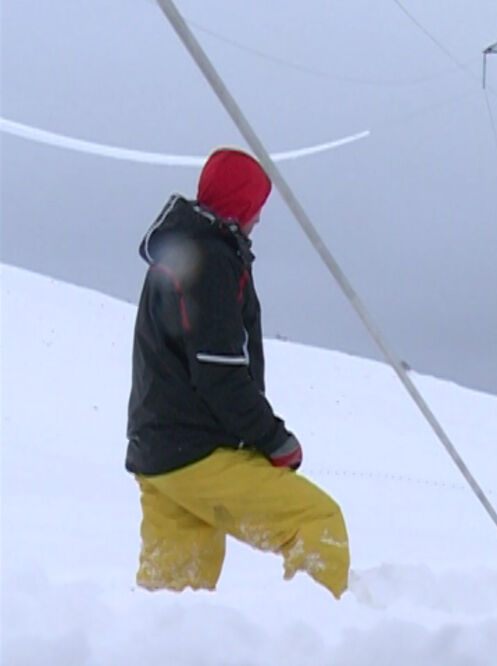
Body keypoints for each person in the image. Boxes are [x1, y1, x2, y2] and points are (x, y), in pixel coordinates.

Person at [126, 148, 350, 597]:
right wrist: (274, 439)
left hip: (158, 453)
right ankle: (317, 639)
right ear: (242, 204)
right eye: (257, 207)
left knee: (174, 600)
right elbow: (219, 373)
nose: (259, 220)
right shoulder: (211, 262)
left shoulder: (183, 253)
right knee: (317, 520)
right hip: (198, 452)